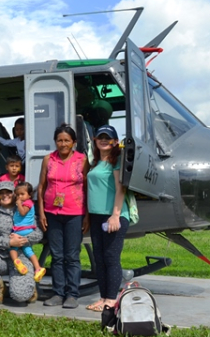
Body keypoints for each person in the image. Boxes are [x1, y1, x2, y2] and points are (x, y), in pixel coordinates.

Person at [36, 123, 90, 309]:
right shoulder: (48, 159)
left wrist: (87, 216)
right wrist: (41, 212)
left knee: (72, 256)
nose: (63, 143)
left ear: (74, 142)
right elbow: (41, 187)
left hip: (75, 213)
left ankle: (72, 294)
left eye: (67, 140)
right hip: (52, 213)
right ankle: (58, 293)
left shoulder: (82, 160)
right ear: (55, 141)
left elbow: (87, 189)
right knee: (57, 255)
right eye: (59, 140)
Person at [0, 181, 44, 305]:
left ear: (15, 194)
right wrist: (9, 242)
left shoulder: (25, 208)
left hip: (21, 257)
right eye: (1, 193)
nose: (5, 195)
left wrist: (22, 240)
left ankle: (29, 287)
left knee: (20, 295)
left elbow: (38, 234)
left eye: (9, 192)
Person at [86, 125, 130, 312]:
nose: (104, 140)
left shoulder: (117, 160)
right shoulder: (95, 162)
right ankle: (103, 297)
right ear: (95, 140)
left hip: (113, 215)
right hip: (96, 216)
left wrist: (115, 215)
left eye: (108, 138)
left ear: (115, 141)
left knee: (111, 257)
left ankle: (112, 300)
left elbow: (121, 188)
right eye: (100, 137)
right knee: (99, 258)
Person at [8, 182, 45, 282]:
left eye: (22, 194)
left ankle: (16, 261)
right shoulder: (23, 202)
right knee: (28, 250)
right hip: (24, 230)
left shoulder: (28, 203)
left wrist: (19, 204)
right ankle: (38, 268)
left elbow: (23, 212)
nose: (19, 196)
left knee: (12, 247)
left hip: (22, 230)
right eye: (18, 194)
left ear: (29, 195)